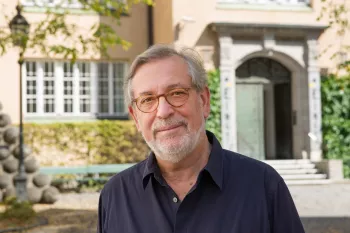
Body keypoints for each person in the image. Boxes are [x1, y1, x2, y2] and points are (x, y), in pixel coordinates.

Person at [97, 44, 305, 233]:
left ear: (204, 101)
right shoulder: (115, 195)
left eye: (177, 93)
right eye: (148, 99)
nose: (163, 111)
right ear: (135, 117)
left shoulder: (263, 185)